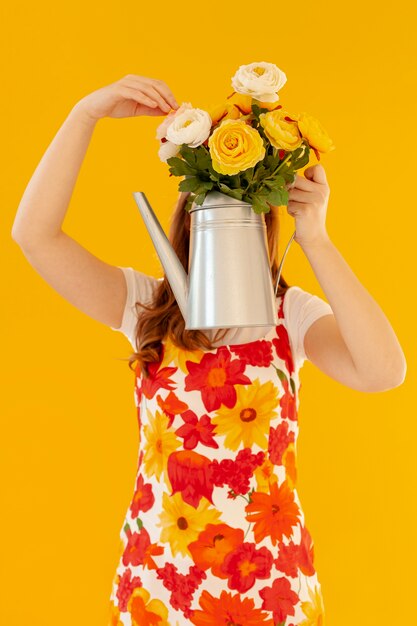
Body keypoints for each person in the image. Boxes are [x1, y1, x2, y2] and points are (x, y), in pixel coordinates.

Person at [11, 74, 407, 626]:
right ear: (186, 215)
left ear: (266, 217)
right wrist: (85, 115)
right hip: (158, 581)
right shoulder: (147, 307)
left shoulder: (289, 314)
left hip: (273, 585)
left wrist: (316, 237)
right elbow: (34, 235)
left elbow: (384, 371)